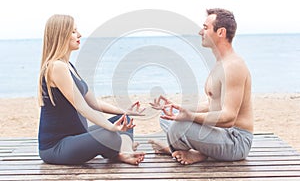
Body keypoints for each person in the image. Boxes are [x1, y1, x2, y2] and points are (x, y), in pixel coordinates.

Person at [149, 8, 253, 165]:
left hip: (236, 141)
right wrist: (179, 108)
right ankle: (197, 151)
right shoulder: (220, 63)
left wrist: (189, 117)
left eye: (205, 28)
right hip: (221, 134)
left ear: (221, 32)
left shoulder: (233, 66)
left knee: (178, 127)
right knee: (167, 118)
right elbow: (211, 105)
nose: (200, 32)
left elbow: (229, 118)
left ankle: (192, 152)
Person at [38, 14, 145, 165]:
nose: (79, 35)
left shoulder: (68, 65)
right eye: (74, 31)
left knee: (124, 119)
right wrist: (110, 127)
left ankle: (124, 152)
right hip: (57, 147)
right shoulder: (56, 66)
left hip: (77, 136)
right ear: (61, 35)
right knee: (110, 135)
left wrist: (125, 111)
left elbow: (93, 103)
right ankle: (123, 150)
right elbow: (81, 106)